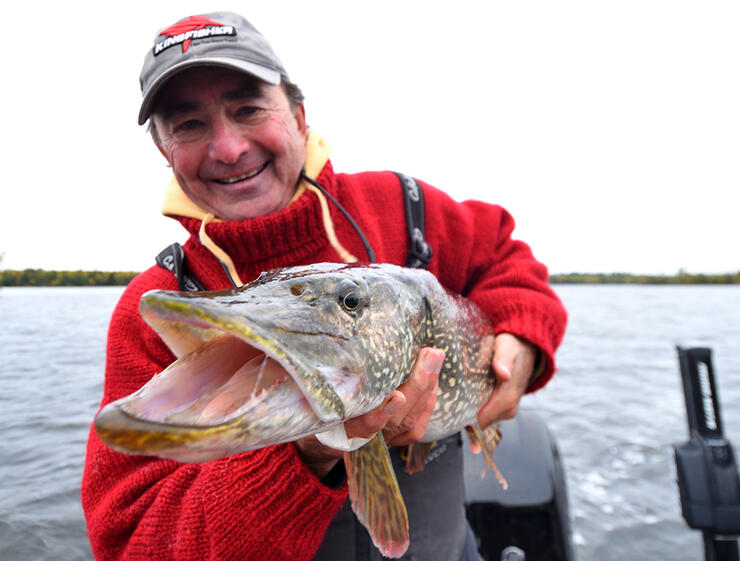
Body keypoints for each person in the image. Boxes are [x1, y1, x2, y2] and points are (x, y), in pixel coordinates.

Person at [82, 11, 567, 561]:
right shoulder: (153, 308)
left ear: (298, 114)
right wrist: (305, 455)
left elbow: (508, 258)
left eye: (248, 109)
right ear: (164, 150)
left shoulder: (405, 207)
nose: (229, 148)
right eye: (188, 125)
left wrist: (522, 340)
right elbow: (130, 544)